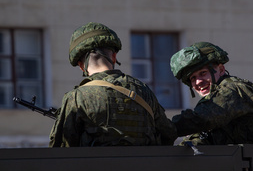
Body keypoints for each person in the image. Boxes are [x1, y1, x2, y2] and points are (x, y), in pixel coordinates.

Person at [49, 22, 177, 147]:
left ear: (81, 65)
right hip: (145, 168)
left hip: (95, 168)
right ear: (114, 57)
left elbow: (61, 150)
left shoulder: (76, 98)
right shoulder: (143, 91)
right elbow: (167, 134)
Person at [170, 41, 253, 145]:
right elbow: (199, 138)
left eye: (203, 73)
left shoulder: (233, 90)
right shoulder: (214, 103)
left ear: (221, 70)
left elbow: (201, 119)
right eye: (193, 78)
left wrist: (165, 128)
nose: (198, 82)